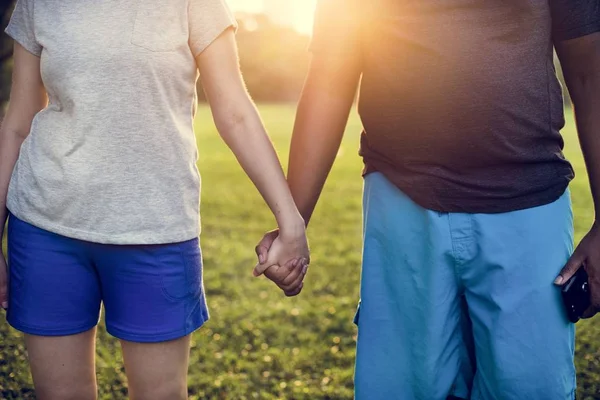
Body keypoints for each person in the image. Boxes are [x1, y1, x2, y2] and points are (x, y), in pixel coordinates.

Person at [255, 0, 600, 398]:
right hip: (401, 201)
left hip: (528, 205)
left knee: (531, 388)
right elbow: (330, 79)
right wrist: (293, 223)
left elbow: (590, 68)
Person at [0, 0, 309, 399]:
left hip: (157, 229)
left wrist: (291, 221)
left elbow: (235, 113)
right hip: (46, 227)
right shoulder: (39, 3)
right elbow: (18, 123)